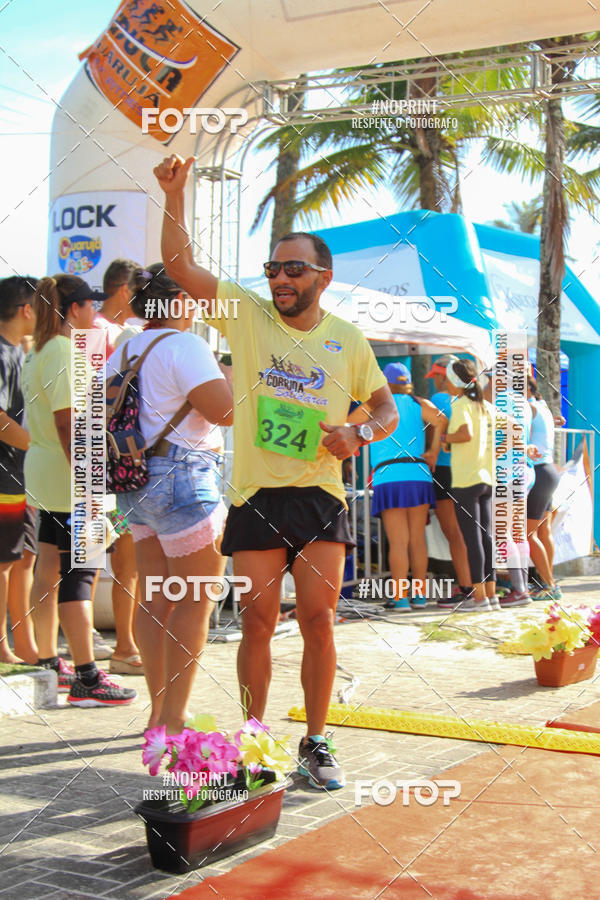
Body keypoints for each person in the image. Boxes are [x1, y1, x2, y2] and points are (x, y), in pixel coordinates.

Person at [154, 153, 398, 789]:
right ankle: (254, 742)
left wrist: (358, 433)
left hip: (319, 496)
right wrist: (175, 195)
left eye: (294, 268)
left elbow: (386, 410)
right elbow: (180, 267)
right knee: (258, 621)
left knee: (319, 620)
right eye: (272, 268)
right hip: (257, 496)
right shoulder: (245, 313)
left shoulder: (347, 337)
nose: (280, 278)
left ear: (324, 275)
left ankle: (316, 743)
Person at [105, 264, 234, 733]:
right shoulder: (185, 345)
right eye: (194, 295)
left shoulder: (124, 349)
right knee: (194, 599)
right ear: (177, 300)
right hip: (184, 473)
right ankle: (176, 719)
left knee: (157, 598)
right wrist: (231, 375)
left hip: (135, 477)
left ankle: (158, 714)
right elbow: (225, 412)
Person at [23, 274, 136, 706]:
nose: (97, 312)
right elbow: (68, 423)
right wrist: (88, 487)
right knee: (80, 572)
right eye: (91, 304)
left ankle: (51, 660)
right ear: (74, 309)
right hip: (72, 475)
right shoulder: (64, 352)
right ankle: (88, 676)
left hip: (48, 471)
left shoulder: (41, 350)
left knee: (50, 565)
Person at [93, 259, 144, 674]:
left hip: (102, 462)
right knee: (120, 560)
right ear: (126, 290)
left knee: (89, 558)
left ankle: (117, 645)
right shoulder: (107, 333)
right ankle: (124, 647)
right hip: (112, 464)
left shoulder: (95, 330)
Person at [369, 362, 447, 610]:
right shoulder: (419, 403)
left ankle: (401, 598)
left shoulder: (375, 406)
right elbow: (441, 420)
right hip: (419, 474)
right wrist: (433, 451)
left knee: (398, 542)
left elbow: (345, 421)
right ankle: (421, 596)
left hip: (389, 475)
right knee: (417, 541)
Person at [0, 276, 38, 664]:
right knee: (5, 563)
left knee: (19, 559)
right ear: (26, 309)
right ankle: (3, 646)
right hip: (5, 475)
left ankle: (23, 646)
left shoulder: (17, 350)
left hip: (18, 475)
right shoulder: (1, 353)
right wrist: (40, 445)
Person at [444, 358, 498, 611]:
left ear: (455, 381)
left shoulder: (461, 405)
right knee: (485, 536)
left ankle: (479, 598)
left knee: (473, 538)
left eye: (447, 380)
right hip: (486, 477)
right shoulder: (486, 406)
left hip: (467, 479)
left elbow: (465, 434)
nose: (445, 385)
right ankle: (491, 594)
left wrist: (446, 438)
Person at [425, 355, 474, 608]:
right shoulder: (472, 401)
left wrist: (436, 447)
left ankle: (466, 587)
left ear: (444, 377)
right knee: (471, 532)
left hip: (445, 471)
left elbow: (436, 432)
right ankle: (479, 587)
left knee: (454, 533)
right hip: (469, 471)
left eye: (435, 376)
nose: (433, 381)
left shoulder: (439, 400)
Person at [526, 375, 560, 601]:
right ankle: (550, 583)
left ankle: (548, 585)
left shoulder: (529, 408)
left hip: (538, 471)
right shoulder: (542, 406)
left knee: (529, 534)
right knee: (544, 531)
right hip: (548, 471)